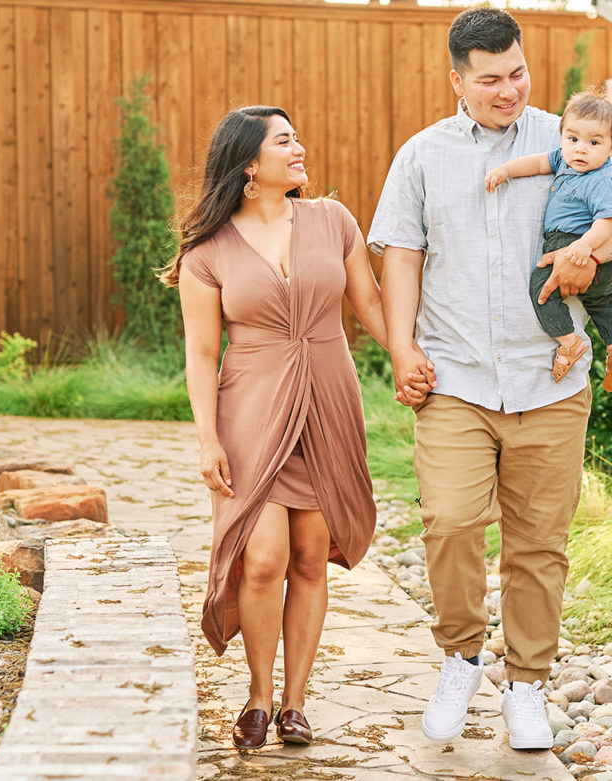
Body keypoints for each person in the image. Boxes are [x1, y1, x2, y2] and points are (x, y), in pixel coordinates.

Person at [368, 8, 612, 751]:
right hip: (456, 377)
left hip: (550, 380)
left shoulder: (572, 137)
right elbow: (401, 253)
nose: (509, 90)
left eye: (518, 73)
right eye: (490, 79)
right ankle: (461, 656)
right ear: (457, 79)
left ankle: (527, 684)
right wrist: (400, 347)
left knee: (538, 543)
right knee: (452, 520)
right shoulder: (423, 155)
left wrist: (591, 252)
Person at [160, 106, 427, 751]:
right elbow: (200, 354)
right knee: (263, 561)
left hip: (329, 403)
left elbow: (367, 304)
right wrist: (207, 439)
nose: (299, 147)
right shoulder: (208, 253)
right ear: (249, 162)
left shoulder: (332, 220)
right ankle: (257, 695)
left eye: (297, 136)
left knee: (310, 558)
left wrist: (406, 356)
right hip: (250, 410)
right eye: (285, 141)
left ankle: (295, 703)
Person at [484, 90, 612, 391]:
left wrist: (586, 246)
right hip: (584, 251)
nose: (581, 149)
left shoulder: (602, 179)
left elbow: (608, 221)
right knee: (602, 301)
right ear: (562, 137)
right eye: (573, 139)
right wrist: (506, 171)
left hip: (575, 243)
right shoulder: (565, 161)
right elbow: (537, 163)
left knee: (541, 290)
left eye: (594, 143)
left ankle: (569, 342)